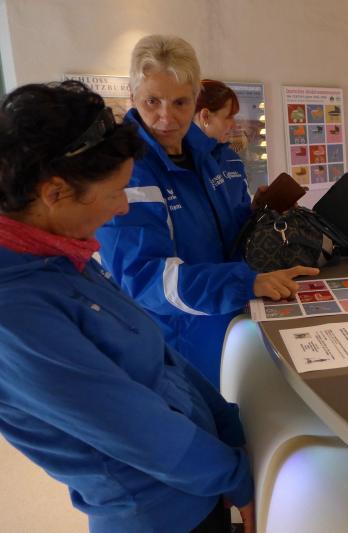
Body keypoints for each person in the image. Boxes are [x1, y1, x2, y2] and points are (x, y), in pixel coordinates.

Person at [0, 81, 254, 532]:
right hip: (157, 516)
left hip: (197, 482)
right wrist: (235, 477)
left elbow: (158, 352)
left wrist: (228, 427)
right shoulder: (15, 312)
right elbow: (134, 429)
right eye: (115, 191)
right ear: (55, 193)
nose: (121, 208)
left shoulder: (61, 255)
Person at [96, 35, 317, 387]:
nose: (166, 117)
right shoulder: (127, 171)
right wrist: (245, 282)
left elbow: (231, 232)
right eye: (153, 101)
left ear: (195, 99)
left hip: (241, 318)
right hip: (180, 340)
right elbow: (144, 277)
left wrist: (262, 219)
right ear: (133, 96)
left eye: (180, 102)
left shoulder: (213, 155)